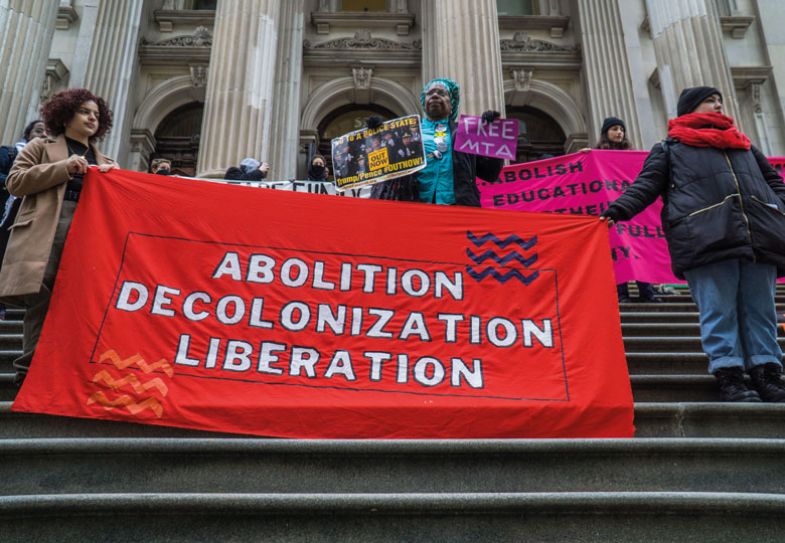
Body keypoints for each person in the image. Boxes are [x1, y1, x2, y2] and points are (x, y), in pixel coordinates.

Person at [601, 86, 785, 402]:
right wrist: (617, 211)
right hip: (707, 238)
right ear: (690, 109)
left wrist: (776, 208)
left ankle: (767, 373)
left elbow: (775, 183)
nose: (718, 105)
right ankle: (730, 375)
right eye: (710, 101)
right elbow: (645, 186)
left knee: (761, 311)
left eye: (720, 101)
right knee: (718, 311)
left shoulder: (743, 146)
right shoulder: (670, 148)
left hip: (756, 236)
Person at [0, 88, 118, 386]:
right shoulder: (41, 145)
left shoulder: (106, 158)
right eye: (84, 112)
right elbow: (15, 182)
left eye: (96, 114)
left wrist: (116, 179)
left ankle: (65, 367)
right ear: (66, 115)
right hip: (46, 227)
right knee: (42, 296)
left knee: (76, 299)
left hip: (88, 231)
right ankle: (30, 368)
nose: (92, 118)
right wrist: (63, 167)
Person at [370, 78, 503, 205]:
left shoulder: (466, 132)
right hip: (415, 209)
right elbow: (382, 168)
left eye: (441, 93)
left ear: (452, 105)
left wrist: (493, 136)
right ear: (424, 103)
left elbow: (491, 173)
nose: (434, 95)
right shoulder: (406, 133)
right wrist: (376, 136)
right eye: (429, 94)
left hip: (458, 208)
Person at [596, 116, 660, 304]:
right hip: (611, 212)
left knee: (639, 250)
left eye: (621, 129)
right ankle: (622, 293)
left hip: (633, 213)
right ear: (606, 132)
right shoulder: (597, 154)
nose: (619, 132)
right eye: (615, 129)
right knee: (617, 254)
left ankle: (646, 292)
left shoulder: (633, 155)